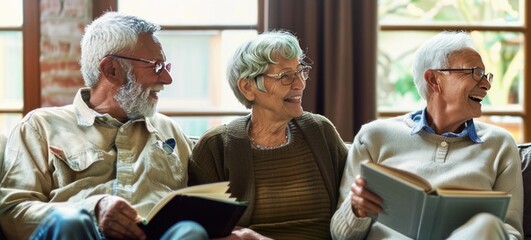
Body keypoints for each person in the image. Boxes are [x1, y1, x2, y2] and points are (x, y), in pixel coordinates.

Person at [0, 12, 206, 240]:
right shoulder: (40, 127)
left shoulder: (171, 131)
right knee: (70, 222)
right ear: (111, 70)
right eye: (156, 66)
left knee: (191, 231)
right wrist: (93, 208)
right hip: (78, 234)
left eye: (165, 66)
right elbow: (12, 214)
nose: (167, 79)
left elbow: (206, 202)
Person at [330, 31, 524, 240]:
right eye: (475, 72)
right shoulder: (373, 137)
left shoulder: (500, 145)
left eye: (485, 75)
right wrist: (356, 210)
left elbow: (510, 232)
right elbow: (340, 236)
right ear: (434, 80)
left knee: (487, 225)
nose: (486, 84)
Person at [188, 30, 347, 239]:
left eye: (301, 71)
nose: (300, 84)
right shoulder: (216, 147)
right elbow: (200, 226)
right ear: (247, 87)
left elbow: (351, 203)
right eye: (285, 76)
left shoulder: (320, 131)